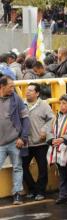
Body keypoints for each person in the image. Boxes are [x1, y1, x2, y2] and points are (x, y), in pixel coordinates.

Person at [0, 74, 30, 205]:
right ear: (2, 86)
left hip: (15, 141)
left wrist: (22, 138)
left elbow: (26, 119)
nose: (13, 88)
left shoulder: (16, 99)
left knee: (18, 167)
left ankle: (17, 194)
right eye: (10, 86)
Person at [21, 83, 54, 201]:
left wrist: (45, 130)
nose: (27, 92)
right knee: (22, 166)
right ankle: (33, 188)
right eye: (27, 90)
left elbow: (51, 119)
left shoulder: (44, 105)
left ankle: (41, 191)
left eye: (31, 90)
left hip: (40, 143)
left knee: (42, 168)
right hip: (26, 143)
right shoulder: (22, 104)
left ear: (37, 93)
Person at [49, 94, 67, 205]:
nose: (61, 106)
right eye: (60, 103)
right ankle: (63, 195)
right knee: (62, 173)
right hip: (59, 148)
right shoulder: (57, 116)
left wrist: (63, 139)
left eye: (64, 104)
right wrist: (52, 139)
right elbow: (51, 130)